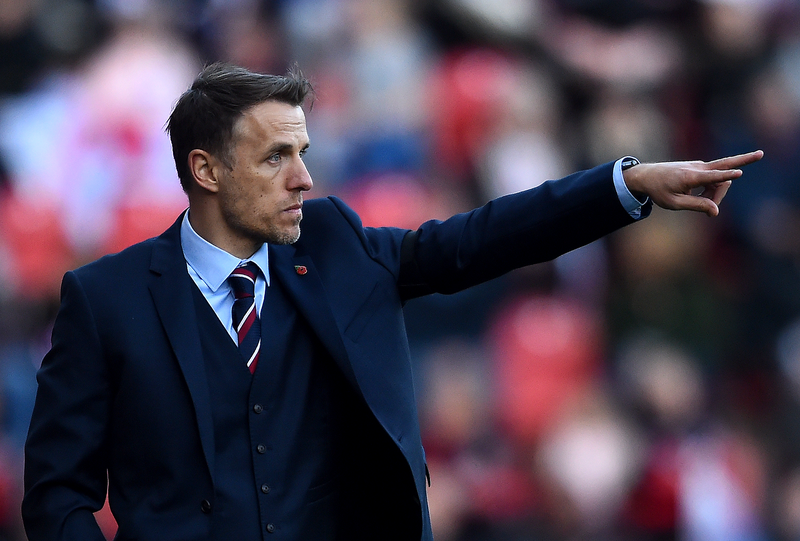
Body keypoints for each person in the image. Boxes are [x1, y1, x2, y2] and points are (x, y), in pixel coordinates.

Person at [21, 62, 763, 541]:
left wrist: (623, 187)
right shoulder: (105, 297)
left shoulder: (338, 247)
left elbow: (482, 238)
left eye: (304, 152)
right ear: (205, 169)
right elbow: (57, 492)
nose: (303, 178)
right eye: (277, 156)